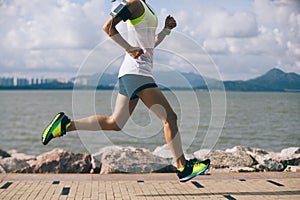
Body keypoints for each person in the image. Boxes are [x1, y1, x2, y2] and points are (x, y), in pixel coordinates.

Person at [42, 0, 210, 182]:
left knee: (115, 123)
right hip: (136, 73)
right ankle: (183, 167)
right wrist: (129, 48)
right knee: (170, 118)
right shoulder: (133, 3)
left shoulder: (146, 6)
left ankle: (65, 125)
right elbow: (108, 27)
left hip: (133, 73)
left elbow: (148, 45)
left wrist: (165, 31)